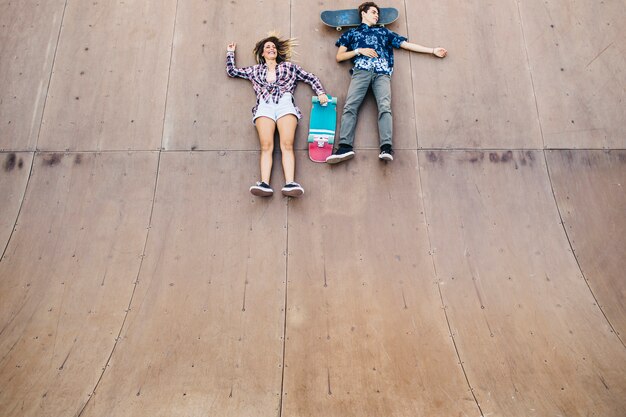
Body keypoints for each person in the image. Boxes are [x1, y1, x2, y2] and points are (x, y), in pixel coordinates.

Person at [326, 2, 447, 164]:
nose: (377, 16)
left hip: (382, 73)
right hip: (361, 71)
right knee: (350, 106)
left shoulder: (383, 32)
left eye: (378, 14)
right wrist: (358, 51)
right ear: (363, 13)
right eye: (374, 12)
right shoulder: (352, 34)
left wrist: (432, 50)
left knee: (385, 107)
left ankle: (386, 147)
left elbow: (405, 44)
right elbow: (339, 57)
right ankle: (345, 147)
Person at [227, 34, 328, 197]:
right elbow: (232, 72)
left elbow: (311, 77)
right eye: (267, 47)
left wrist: (321, 92)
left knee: (287, 145)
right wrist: (230, 52)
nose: (271, 48)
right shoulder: (255, 70)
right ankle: (265, 184)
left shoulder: (289, 67)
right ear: (262, 53)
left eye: (273, 47)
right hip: (264, 105)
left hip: (285, 103)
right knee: (266, 146)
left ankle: (290, 183)